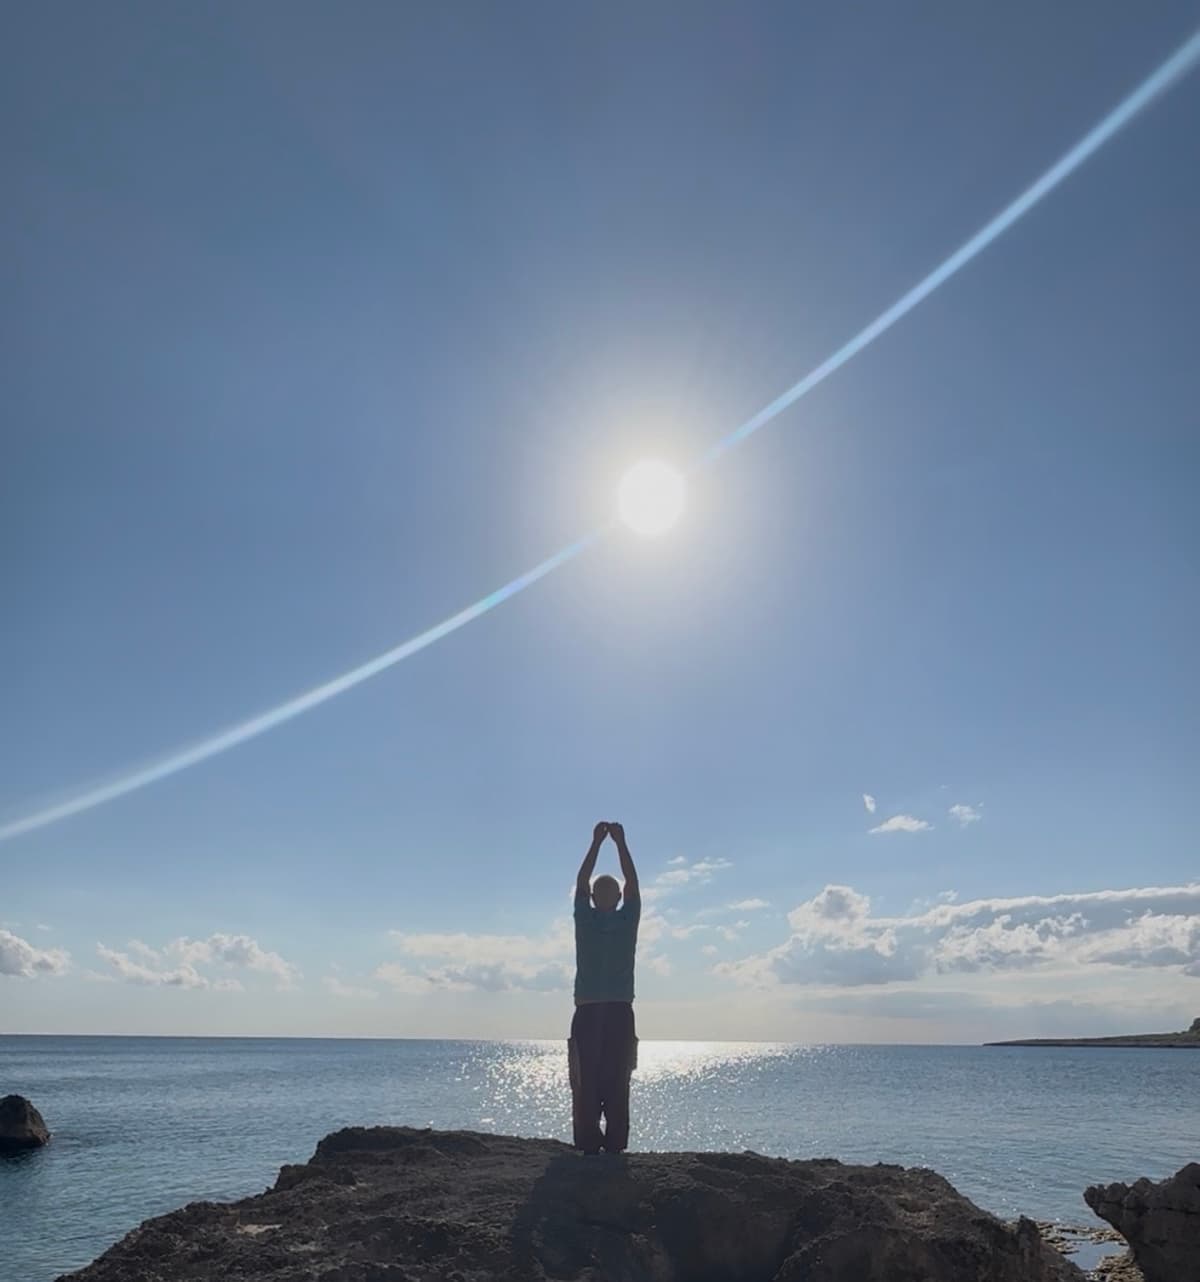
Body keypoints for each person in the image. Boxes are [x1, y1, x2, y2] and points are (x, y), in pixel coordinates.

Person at [569, 820, 640, 1155]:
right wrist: (618, 844)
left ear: (597, 898)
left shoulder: (592, 917)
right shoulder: (619, 918)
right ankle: (608, 1144)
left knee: (596, 1081)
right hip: (611, 1011)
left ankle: (595, 1143)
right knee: (610, 1081)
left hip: (598, 1010)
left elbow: (583, 882)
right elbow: (632, 885)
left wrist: (598, 842)